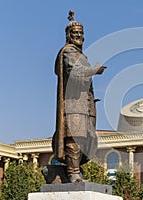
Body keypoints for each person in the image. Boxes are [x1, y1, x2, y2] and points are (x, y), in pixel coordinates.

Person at [52, 10, 106, 183]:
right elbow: (74, 72)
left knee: (87, 140)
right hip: (73, 105)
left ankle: (74, 171)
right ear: (68, 35)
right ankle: (73, 172)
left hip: (85, 106)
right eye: (75, 33)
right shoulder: (68, 52)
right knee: (75, 138)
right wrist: (94, 70)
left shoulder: (80, 54)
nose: (78, 36)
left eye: (81, 33)